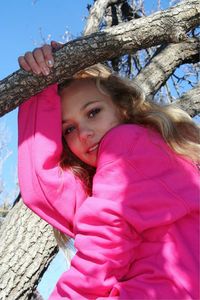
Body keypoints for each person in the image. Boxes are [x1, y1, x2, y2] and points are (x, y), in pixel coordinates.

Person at [18, 42, 200, 300]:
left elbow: (105, 245)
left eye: (93, 112)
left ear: (122, 107)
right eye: (68, 129)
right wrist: (38, 87)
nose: (84, 133)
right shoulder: (132, 164)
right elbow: (41, 191)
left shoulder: (127, 141)